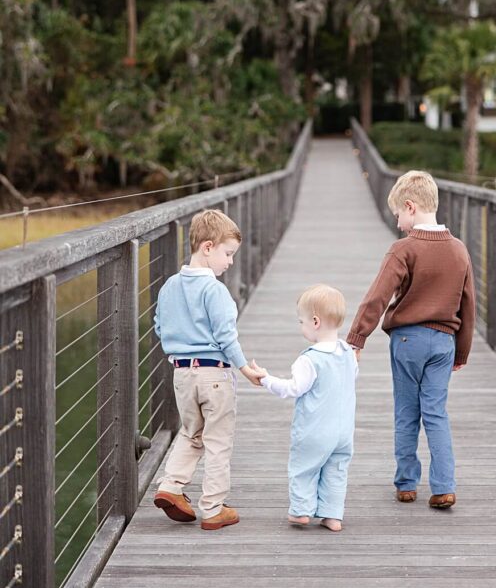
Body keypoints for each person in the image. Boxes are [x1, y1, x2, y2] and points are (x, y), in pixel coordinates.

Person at [346, 170, 476, 508]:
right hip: (444, 343)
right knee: (436, 413)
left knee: (407, 412)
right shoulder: (459, 250)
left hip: (407, 341)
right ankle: (444, 486)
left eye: (399, 216)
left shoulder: (404, 249)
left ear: (410, 206)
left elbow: (378, 295)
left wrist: (357, 338)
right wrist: (462, 351)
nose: (400, 223)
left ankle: (406, 483)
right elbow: (468, 304)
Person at [153, 208, 264, 530]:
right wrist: (243, 369)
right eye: (227, 254)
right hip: (214, 374)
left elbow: (159, 326)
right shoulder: (214, 290)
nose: (229, 262)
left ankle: (170, 487)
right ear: (207, 247)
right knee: (217, 441)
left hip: (182, 374)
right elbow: (226, 335)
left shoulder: (170, 286)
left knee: (191, 433)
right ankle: (213, 508)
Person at [252, 284, 357, 532]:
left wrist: (266, 379)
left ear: (315, 321)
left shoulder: (309, 359)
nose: (301, 327)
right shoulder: (348, 353)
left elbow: (293, 388)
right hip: (343, 431)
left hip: (314, 431)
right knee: (336, 471)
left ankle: (300, 511)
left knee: (303, 469)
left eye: (301, 322)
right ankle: (332, 516)